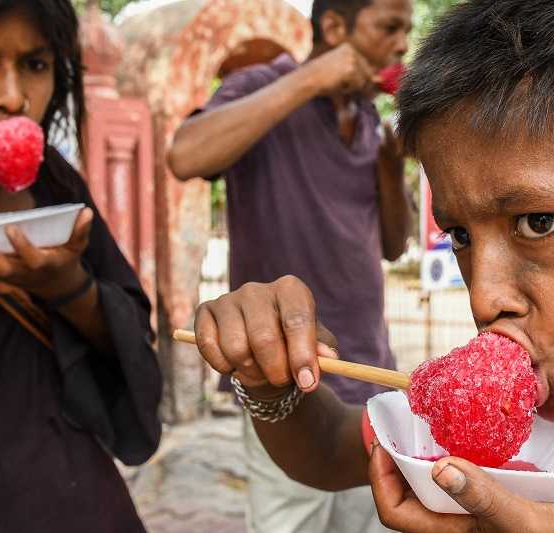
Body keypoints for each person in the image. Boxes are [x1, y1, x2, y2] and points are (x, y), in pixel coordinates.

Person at [191, 0, 554, 531]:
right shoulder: (520, 425)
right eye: (460, 235)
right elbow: (325, 448)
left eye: (538, 223)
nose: (483, 298)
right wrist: (270, 381)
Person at [0, 2, 162, 531]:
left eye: (36, 65)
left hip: (80, 503)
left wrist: (65, 286)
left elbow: (133, 338)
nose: (14, 97)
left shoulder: (52, 182)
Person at [169, 1, 413, 531]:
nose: (401, 46)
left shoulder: (370, 118)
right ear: (332, 27)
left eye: (406, 32)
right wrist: (309, 80)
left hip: (369, 370)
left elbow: (394, 247)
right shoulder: (264, 83)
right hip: (284, 379)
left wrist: (391, 169)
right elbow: (185, 156)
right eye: (389, 27)